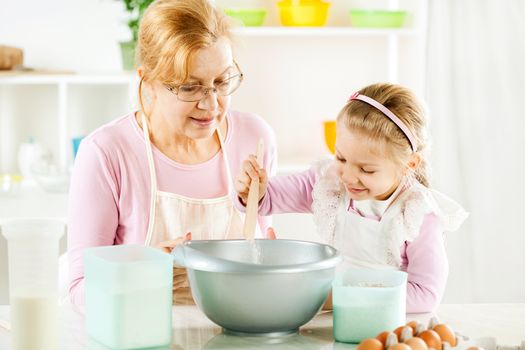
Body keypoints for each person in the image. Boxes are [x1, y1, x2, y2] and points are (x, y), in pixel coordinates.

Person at [67, 0, 277, 306]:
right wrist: (144, 272)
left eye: (221, 81)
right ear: (148, 81)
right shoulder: (106, 153)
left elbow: (266, 247)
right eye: (190, 88)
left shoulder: (255, 139)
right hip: (143, 335)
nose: (211, 104)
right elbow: (78, 293)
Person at [235, 82, 468, 313]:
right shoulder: (329, 182)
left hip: (389, 328)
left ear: (409, 164)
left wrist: (339, 296)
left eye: (366, 170)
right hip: (339, 320)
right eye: (341, 158)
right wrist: (253, 190)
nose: (347, 176)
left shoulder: (418, 215)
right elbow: (270, 198)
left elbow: (426, 295)